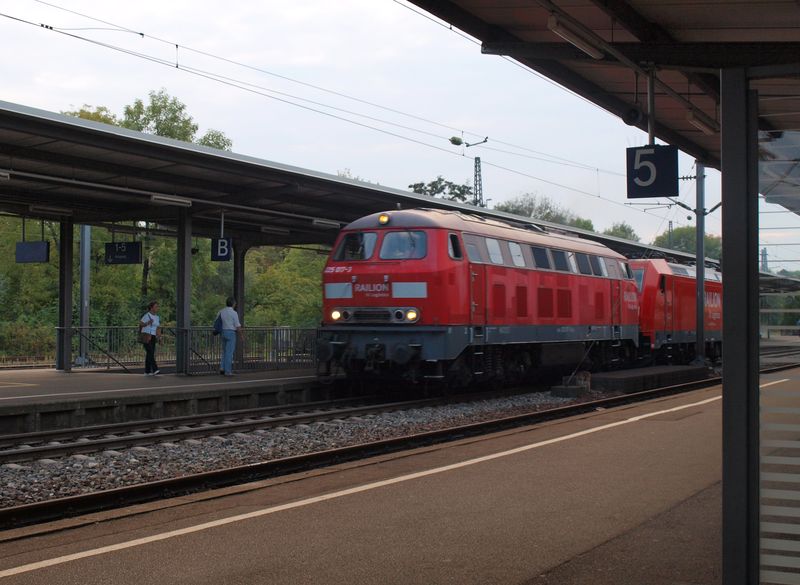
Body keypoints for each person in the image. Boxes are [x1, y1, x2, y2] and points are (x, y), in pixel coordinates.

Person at [216, 296, 242, 376]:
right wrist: (241, 335)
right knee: (229, 353)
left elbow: (217, 321)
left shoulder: (221, 311)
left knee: (224, 351)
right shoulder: (234, 313)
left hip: (223, 332)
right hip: (231, 333)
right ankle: (228, 371)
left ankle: (222, 368)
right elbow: (237, 326)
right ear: (233, 303)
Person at [139, 300, 161, 376]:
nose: (157, 308)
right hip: (146, 335)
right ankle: (155, 369)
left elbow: (158, 327)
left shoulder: (157, 317)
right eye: (156, 307)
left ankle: (147, 371)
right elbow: (141, 324)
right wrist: (148, 323)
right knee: (150, 352)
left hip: (153, 336)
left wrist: (159, 336)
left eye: (157, 307)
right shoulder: (147, 315)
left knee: (150, 353)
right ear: (151, 308)